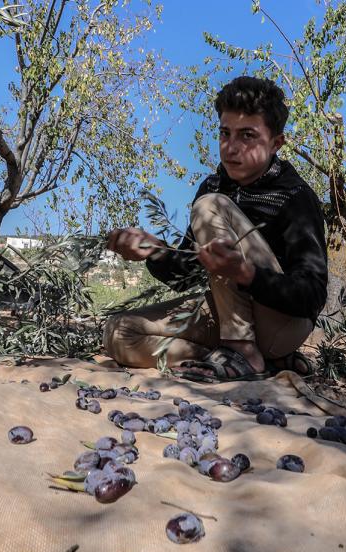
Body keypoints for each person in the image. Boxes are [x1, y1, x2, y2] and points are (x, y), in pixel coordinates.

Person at [103, 76, 328, 382]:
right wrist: (154, 251)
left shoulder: (295, 197)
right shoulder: (212, 184)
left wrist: (247, 275)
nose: (231, 148)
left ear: (276, 143)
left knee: (210, 206)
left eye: (247, 135)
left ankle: (242, 351)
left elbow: (312, 296)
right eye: (225, 133)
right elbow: (191, 275)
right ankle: (249, 361)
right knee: (120, 333)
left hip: (282, 324)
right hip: (224, 315)